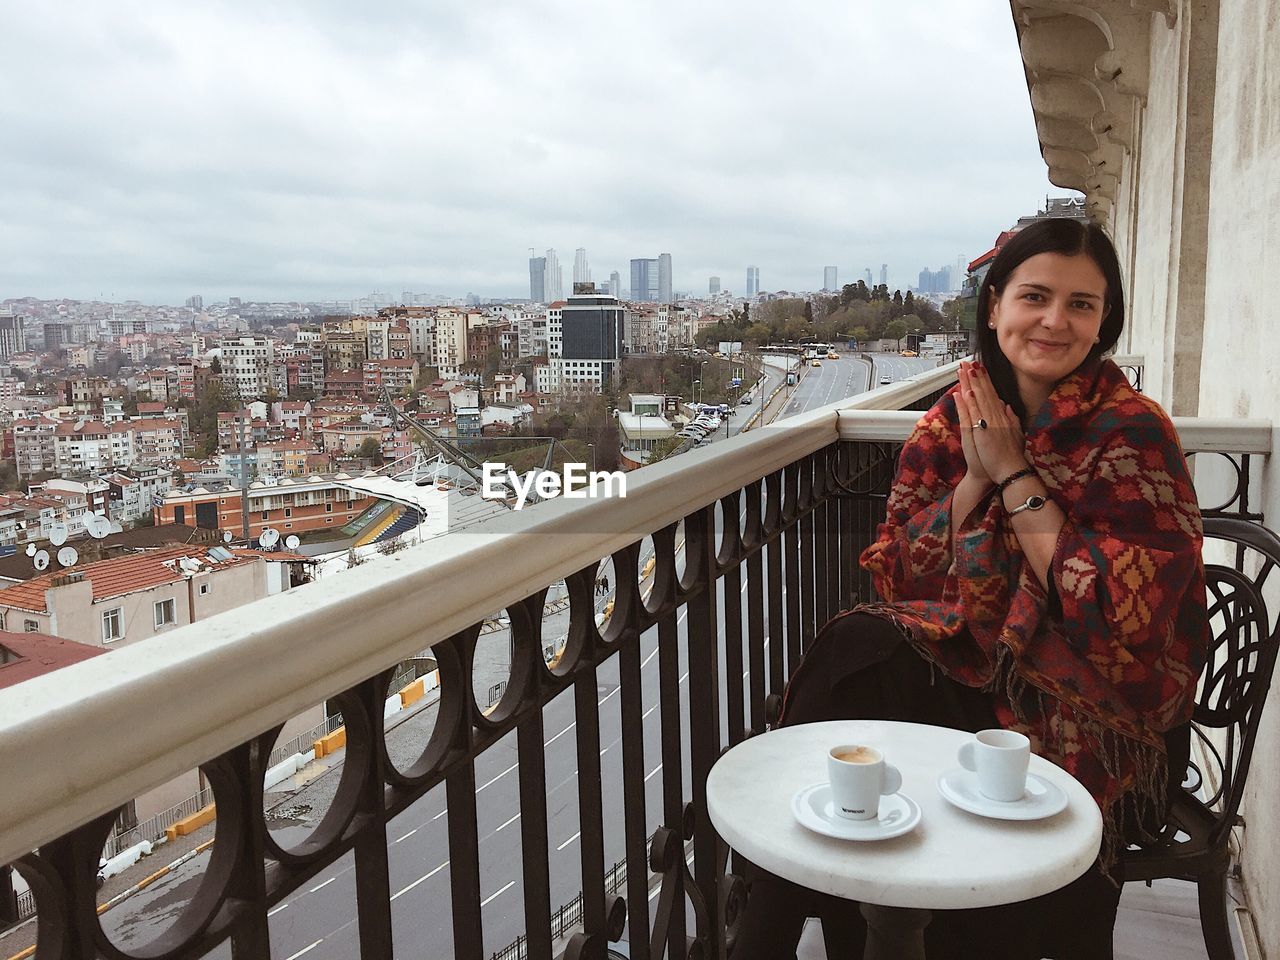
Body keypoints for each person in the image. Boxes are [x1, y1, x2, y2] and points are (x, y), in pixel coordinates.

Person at [732, 217, 1209, 960]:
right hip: (973, 664)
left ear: (1104, 320)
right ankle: (800, 927)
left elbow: (1120, 615)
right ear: (996, 307)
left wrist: (1015, 471)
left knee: (875, 698)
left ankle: (769, 935)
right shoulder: (951, 423)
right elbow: (902, 573)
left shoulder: (1133, 433)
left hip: (1087, 698)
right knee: (860, 652)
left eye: (1081, 304)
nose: (1055, 320)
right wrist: (978, 474)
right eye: (1036, 296)